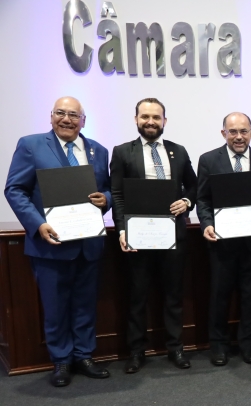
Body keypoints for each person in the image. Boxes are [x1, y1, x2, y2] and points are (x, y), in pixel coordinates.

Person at [4, 96, 111, 387]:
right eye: (61, 113)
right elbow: (15, 190)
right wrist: (37, 224)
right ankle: (61, 360)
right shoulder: (31, 145)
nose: (67, 119)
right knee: (55, 306)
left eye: (74, 115)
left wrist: (106, 200)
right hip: (50, 244)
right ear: (51, 116)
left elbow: (107, 190)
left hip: (88, 244)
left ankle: (84, 355)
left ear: (83, 121)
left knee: (85, 305)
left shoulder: (99, 151)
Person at [110, 97, 198, 373]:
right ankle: (136, 352)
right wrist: (122, 229)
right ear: (136, 119)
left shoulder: (178, 151)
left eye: (156, 117)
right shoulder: (122, 152)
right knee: (137, 296)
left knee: (173, 295)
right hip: (138, 236)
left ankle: (176, 348)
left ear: (164, 121)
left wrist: (187, 202)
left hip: (172, 235)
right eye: (145, 117)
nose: (150, 122)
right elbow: (117, 194)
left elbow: (194, 187)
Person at [196, 112, 251, 366]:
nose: (239, 137)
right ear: (224, 133)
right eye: (233, 132)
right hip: (221, 241)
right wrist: (206, 224)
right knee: (220, 295)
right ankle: (218, 347)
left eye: (243, 131)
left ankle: (249, 345)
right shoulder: (209, 160)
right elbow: (202, 199)